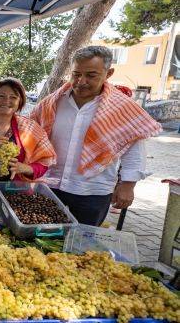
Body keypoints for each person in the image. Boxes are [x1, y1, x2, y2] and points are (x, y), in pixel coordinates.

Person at [30, 46, 161, 226]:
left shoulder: (122, 107)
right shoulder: (52, 102)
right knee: (41, 240)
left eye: (91, 75)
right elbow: (31, 134)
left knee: (82, 248)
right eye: (76, 74)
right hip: (50, 185)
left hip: (93, 191)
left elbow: (133, 149)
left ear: (108, 73)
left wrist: (127, 185)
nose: (81, 81)